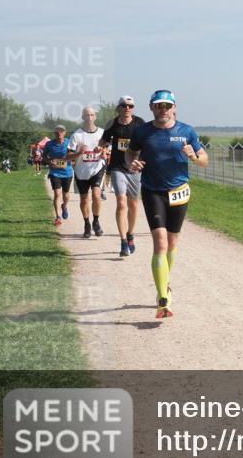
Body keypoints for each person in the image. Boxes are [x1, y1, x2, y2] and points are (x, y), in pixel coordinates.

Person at [127, 90, 208, 318]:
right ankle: (163, 297)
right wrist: (132, 163)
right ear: (151, 108)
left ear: (174, 108)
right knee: (160, 242)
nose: (163, 109)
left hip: (179, 191)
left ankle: (165, 282)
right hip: (153, 191)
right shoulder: (142, 131)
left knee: (172, 242)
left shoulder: (186, 131)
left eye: (167, 105)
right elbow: (130, 154)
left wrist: (193, 156)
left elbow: (204, 161)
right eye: (158, 105)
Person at [100, 95, 146, 257]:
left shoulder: (140, 123)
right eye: (124, 105)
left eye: (130, 106)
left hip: (134, 168)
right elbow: (102, 142)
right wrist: (104, 146)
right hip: (118, 168)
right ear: (118, 107)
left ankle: (130, 234)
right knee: (121, 202)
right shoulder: (112, 123)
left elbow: (148, 141)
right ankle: (123, 242)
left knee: (133, 205)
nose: (127, 108)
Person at [68, 107, 108, 239]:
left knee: (96, 195)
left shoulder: (103, 133)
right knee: (84, 199)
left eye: (92, 115)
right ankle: (86, 224)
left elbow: (108, 152)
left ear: (95, 117)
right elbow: (68, 156)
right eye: (87, 115)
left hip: (97, 168)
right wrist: (80, 152)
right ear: (83, 117)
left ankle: (96, 222)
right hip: (81, 171)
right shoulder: (77, 135)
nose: (89, 117)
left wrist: (103, 152)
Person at [43, 125, 73, 226]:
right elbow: (44, 156)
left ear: (65, 133)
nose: (59, 133)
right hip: (54, 172)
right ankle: (57, 217)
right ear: (54, 133)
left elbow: (74, 155)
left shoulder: (69, 142)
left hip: (67, 172)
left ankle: (64, 206)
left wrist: (71, 160)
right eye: (57, 132)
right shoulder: (49, 144)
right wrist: (49, 162)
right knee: (57, 194)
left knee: (66, 194)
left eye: (61, 131)